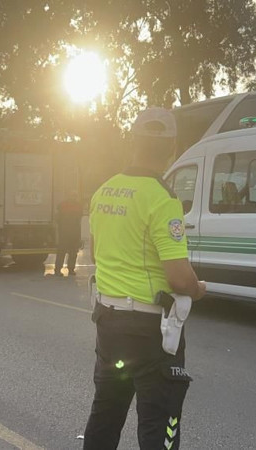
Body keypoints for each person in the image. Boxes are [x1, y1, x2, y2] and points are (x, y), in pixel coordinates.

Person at [82, 107, 206, 449]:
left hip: (109, 322)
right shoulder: (163, 199)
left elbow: (96, 254)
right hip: (152, 332)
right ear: (171, 147)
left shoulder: (103, 191)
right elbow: (180, 279)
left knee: (105, 416)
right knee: (159, 424)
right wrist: (198, 289)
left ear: (132, 142)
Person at [52, 191, 83, 276]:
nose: (73, 197)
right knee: (69, 252)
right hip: (70, 232)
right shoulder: (78, 206)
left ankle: (61, 270)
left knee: (65, 252)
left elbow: (57, 218)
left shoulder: (62, 205)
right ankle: (68, 270)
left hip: (66, 233)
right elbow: (80, 219)